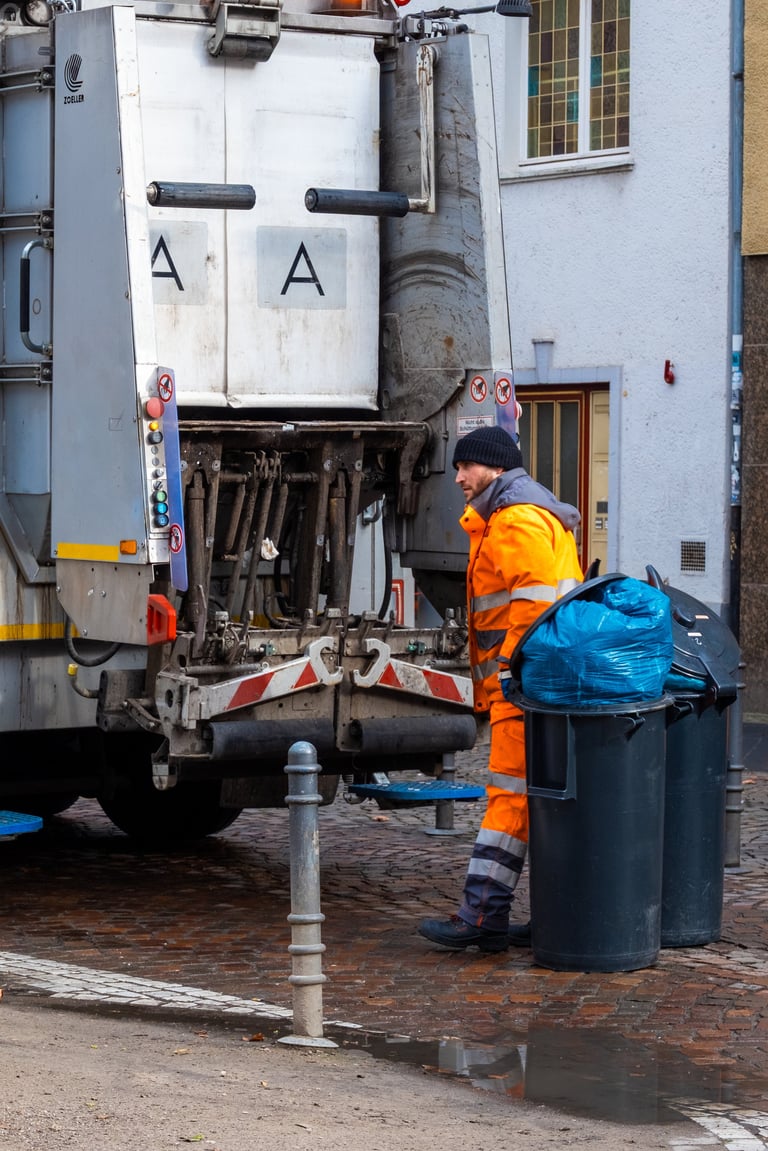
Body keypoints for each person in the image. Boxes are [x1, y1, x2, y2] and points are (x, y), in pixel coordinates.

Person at [418, 424, 583, 953]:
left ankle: (482, 916)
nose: (459, 477)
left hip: (525, 687)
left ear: (492, 466)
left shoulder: (515, 521)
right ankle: (559, 911)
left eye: (465, 466)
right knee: (536, 801)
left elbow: (532, 608)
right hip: (539, 686)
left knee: (509, 799)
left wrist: (508, 672)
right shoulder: (519, 517)